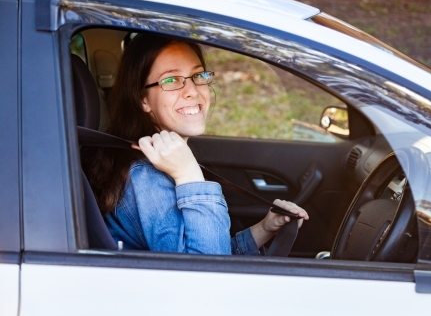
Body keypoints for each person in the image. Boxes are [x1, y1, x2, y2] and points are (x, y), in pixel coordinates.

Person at [83, 33, 308, 255]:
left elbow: (211, 253)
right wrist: (189, 174)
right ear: (143, 99)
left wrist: (264, 229)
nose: (192, 91)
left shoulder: (154, 163)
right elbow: (209, 275)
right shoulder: (146, 175)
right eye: (171, 80)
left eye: (198, 75)